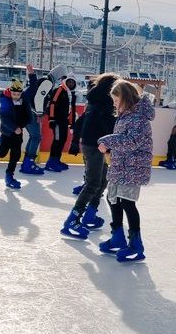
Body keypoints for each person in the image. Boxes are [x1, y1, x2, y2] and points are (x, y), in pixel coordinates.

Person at [95, 80, 155, 262]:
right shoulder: (125, 116)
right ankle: (117, 237)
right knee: (112, 198)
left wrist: (108, 141)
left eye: (116, 99)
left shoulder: (139, 118)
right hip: (120, 164)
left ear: (126, 98)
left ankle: (136, 244)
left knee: (127, 203)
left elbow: (131, 142)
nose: (113, 103)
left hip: (133, 167)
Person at [61, 72, 120, 239]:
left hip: (94, 144)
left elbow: (84, 121)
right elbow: (107, 124)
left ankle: (90, 214)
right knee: (93, 183)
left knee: (102, 180)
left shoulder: (97, 101)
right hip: (94, 145)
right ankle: (72, 220)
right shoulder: (104, 103)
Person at [0, 79, 30, 189]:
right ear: (10, 91)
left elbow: (28, 114)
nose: (16, 96)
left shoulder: (24, 99)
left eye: (18, 94)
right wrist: (14, 128)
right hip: (7, 132)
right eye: (14, 94)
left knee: (16, 155)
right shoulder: (5, 101)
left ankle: (9, 176)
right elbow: (4, 118)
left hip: (18, 133)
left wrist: (24, 123)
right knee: (1, 154)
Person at [45, 75, 77, 172]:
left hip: (64, 121)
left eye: (73, 82)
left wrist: (71, 123)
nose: (71, 84)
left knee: (62, 140)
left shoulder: (71, 94)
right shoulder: (59, 90)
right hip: (57, 121)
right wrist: (51, 119)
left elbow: (71, 109)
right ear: (66, 81)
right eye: (69, 81)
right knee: (57, 141)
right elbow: (52, 104)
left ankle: (56, 160)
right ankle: (51, 162)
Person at [19, 64, 45, 175]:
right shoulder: (33, 91)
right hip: (29, 117)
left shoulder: (27, 93)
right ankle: (29, 163)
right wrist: (31, 73)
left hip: (26, 117)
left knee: (34, 137)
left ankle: (26, 162)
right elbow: (34, 84)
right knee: (36, 137)